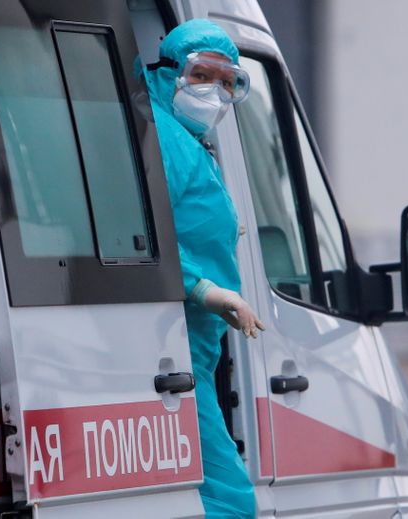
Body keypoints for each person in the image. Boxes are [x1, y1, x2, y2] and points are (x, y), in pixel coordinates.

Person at [142, 19, 264, 518]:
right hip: (176, 345)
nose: (213, 93)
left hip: (193, 349)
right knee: (229, 499)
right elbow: (147, 229)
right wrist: (206, 290)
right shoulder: (166, 139)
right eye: (199, 76)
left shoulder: (187, 140)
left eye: (227, 81)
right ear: (168, 72)